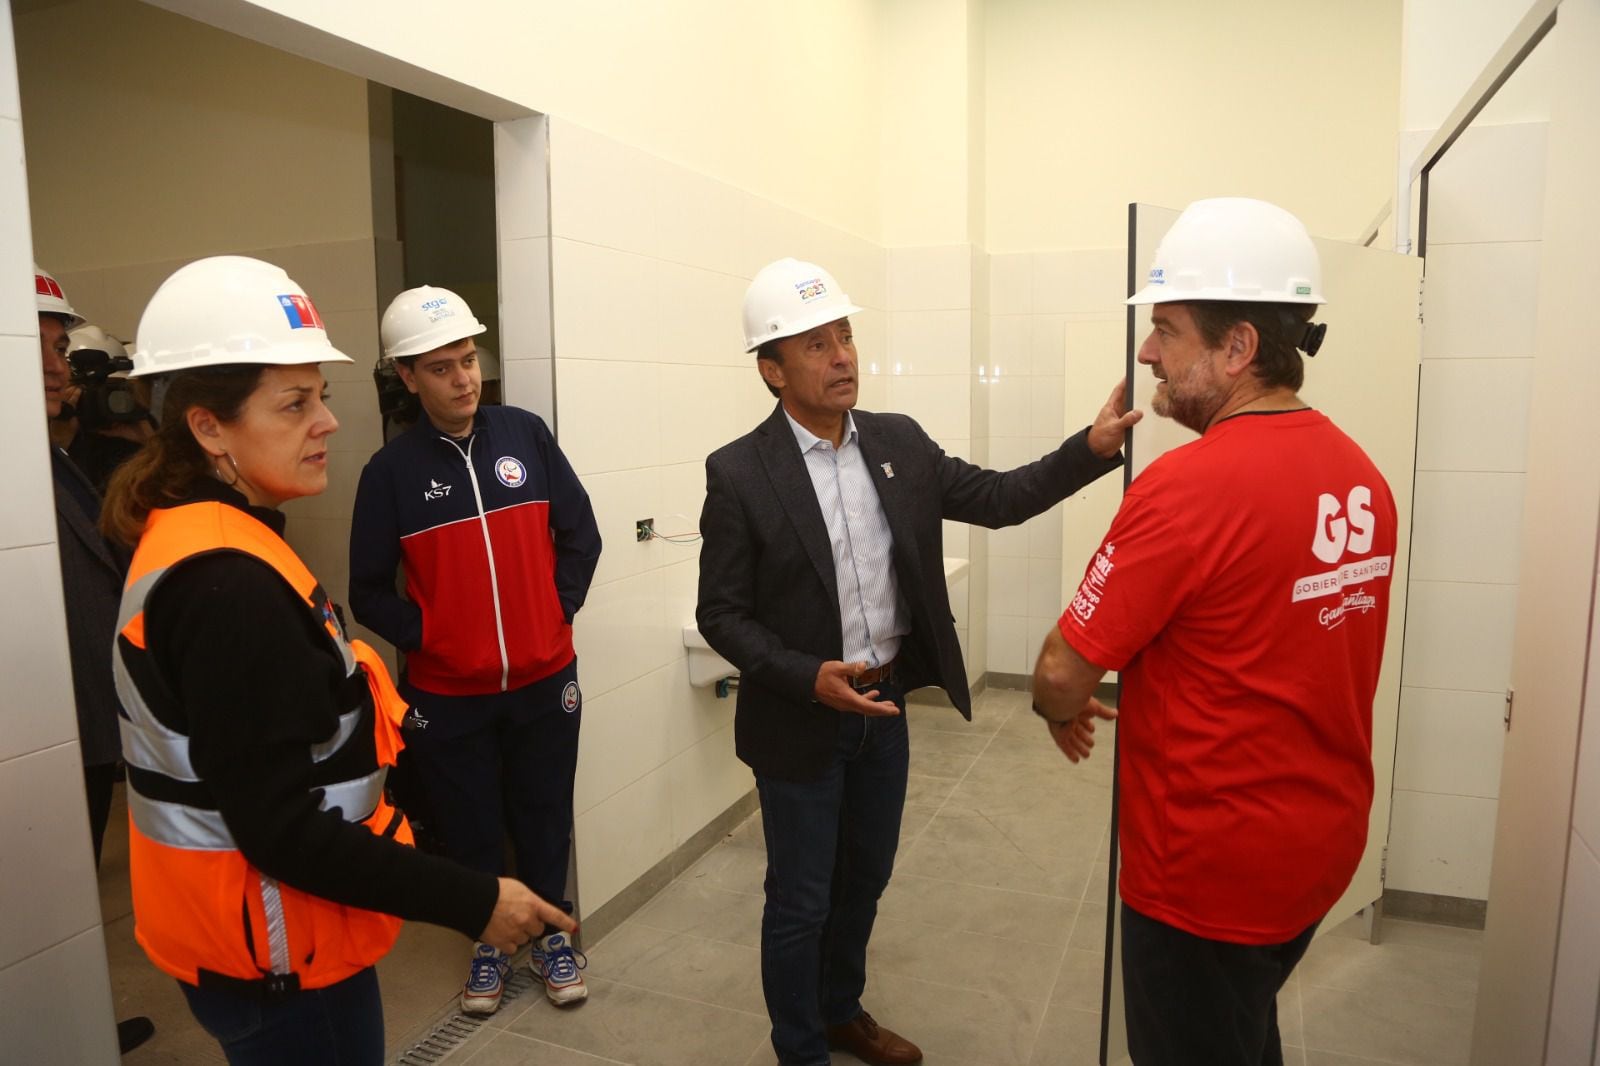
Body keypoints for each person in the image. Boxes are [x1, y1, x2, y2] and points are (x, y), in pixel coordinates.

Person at [102, 256, 572, 1064]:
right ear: (208, 427)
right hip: (278, 958)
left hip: (260, 943)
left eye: (319, 396)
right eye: (295, 403)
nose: (327, 422)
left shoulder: (208, 541)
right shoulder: (226, 588)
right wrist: (473, 899)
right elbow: (281, 828)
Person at [696, 256, 1140, 1066]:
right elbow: (720, 614)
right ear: (771, 369)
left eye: (846, 336)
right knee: (800, 900)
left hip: (885, 709)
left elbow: (1001, 499)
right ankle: (800, 1049)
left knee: (864, 877)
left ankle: (839, 1011)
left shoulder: (897, 443)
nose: (842, 356)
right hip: (800, 722)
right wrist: (806, 673)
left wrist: (1092, 448)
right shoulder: (740, 473)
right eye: (816, 345)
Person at [1031, 198, 1398, 1066]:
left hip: (1206, 875)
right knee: (1238, 1028)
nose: (1147, 352)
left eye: (1166, 329)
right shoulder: (1360, 477)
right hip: (1318, 850)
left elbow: (1059, 675)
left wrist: (1058, 705)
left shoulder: (1185, 488)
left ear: (1237, 348)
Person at [348, 285, 601, 1016]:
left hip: (544, 677)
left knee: (545, 812)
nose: (463, 379)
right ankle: (488, 945)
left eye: (468, 360)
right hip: (447, 694)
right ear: (407, 378)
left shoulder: (524, 434)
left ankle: (554, 937)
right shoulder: (389, 474)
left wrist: (554, 612)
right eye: (441, 367)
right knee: (469, 825)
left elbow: (581, 533)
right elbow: (369, 590)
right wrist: (435, 638)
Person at [35, 264, 155, 1055]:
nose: (57, 368)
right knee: (40, 906)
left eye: (58, 348)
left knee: (62, 902)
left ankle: (69, 1024)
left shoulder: (54, 456)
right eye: (36, 349)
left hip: (78, 719)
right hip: (41, 730)